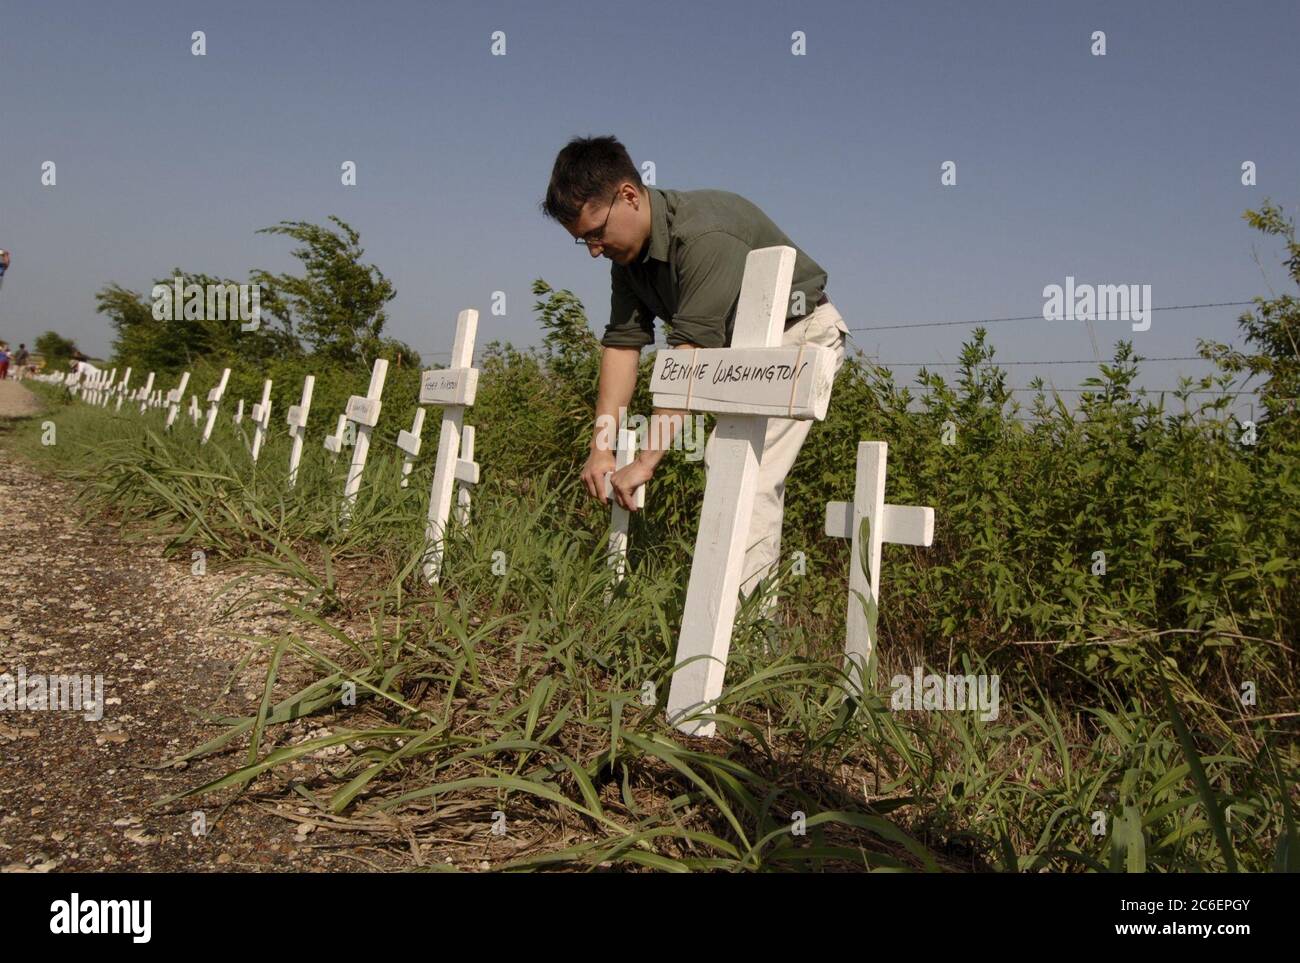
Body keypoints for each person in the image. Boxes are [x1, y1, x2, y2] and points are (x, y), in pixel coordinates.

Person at [540, 135, 848, 614]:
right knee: (726, 467)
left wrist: (645, 460)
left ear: (628, 195)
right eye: (583, 241)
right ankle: (721, 620)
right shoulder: (629, 261)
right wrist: (602, 447)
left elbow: (688, 359)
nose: (594, 251)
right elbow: (623, 349)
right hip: (739, 348)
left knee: (751, 478)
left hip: (798, 334)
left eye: (596, 233)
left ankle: (748, 636)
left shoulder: (702, 236)